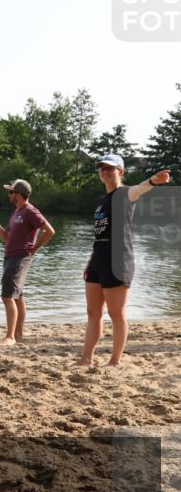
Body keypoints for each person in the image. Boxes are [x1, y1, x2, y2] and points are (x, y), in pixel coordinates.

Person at [78, 156, 171, 366]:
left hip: (119, 261)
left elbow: (139, 189)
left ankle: (114, 360)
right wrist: (90, 262)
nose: (105, 171)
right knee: (93, 312)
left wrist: (153, 181)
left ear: (121, 171)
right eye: (102, 168)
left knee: (116, 313)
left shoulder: (124, 194)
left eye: (110, 168)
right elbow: (100, 236)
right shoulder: (102, 200)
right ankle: (86, 358)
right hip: (98, 260)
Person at [0, 179, 55, 344]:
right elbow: (6, 237)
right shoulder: (17, 212)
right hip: (10, 257)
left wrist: (34, 248)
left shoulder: (31, 211)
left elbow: (50, 231)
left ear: (18, 194)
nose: (9, 195)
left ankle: (10, 337)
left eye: (11, 192)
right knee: (17, 296)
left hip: (20, 258)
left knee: (7, 296)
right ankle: (18, 335)